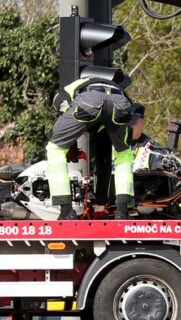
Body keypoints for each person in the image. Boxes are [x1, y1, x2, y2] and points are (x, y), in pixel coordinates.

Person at [47, 69, 139, 220]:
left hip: (90, 100)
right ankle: (122, 212)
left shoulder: (67, 90)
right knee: (123, 154)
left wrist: (69, 146)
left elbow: (65, 114)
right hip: (120, 102)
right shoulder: (113, 87)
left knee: (55, 149)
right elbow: (104, 160)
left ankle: (66, 212)